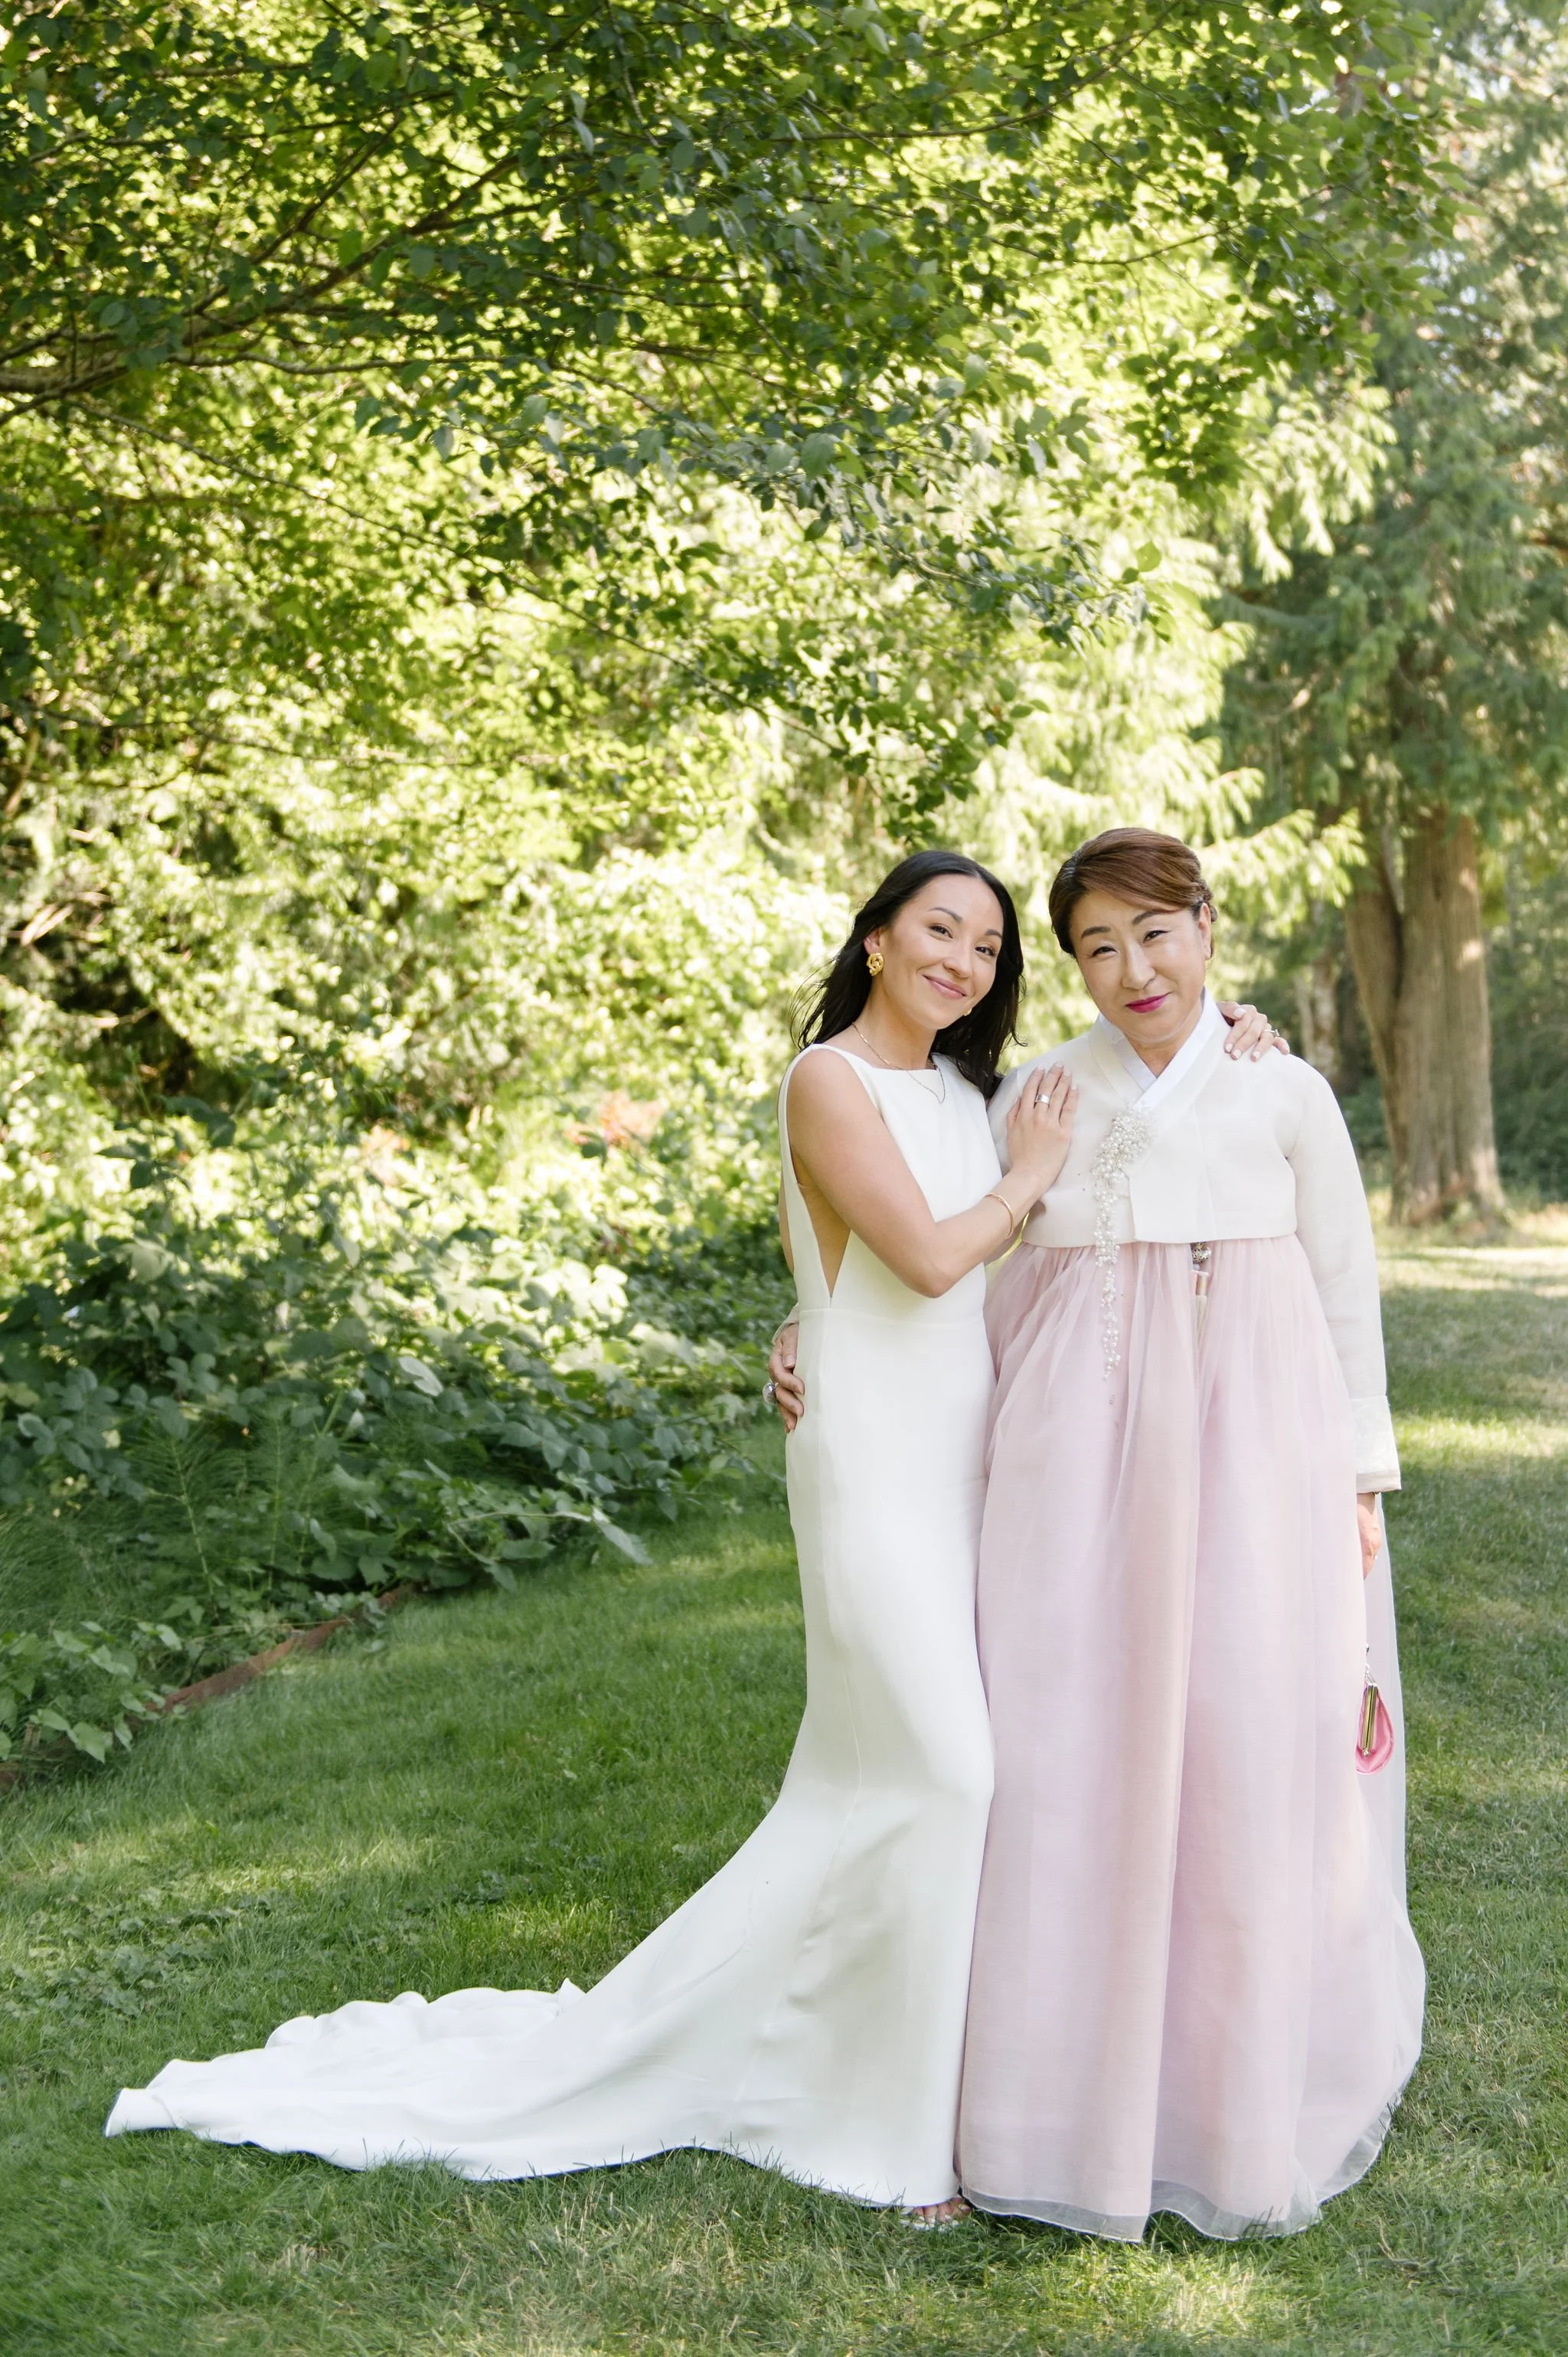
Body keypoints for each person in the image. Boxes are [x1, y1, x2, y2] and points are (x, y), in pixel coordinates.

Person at [105, 850, 1076, 2222]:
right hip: (870, 1464)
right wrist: (1017, 1183)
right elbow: (922, 1255)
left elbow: (980, 1220)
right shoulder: (827, 1081)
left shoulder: (969, 1093)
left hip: (965, 1450)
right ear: (875, 939)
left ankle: (848, 2070)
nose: (967, 963)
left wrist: (1232, 1037)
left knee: (881, 1791)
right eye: (940, 931)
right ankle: (901, 2155)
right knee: (951, 1774)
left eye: (987, 947)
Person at [957, 827, 1424, 2241]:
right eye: (1097, 945)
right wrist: (815, 1328)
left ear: (1206, 927)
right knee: (1073, 1732)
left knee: (1244, 1727)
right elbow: (963, 1271)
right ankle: (1056, 2091)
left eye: (1154, 933)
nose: (1131, 969)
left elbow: (1345, 1292)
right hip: (1082, 1450)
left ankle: (1240, 2077)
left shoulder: (1284, 1092)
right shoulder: (1044, 1097)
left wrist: (1356, 1478)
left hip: (1258, 1441)